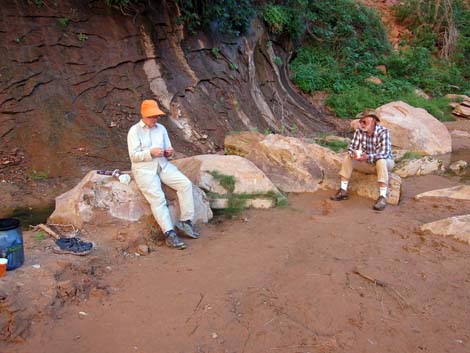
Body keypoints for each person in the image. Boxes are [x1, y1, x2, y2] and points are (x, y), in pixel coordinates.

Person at [127, 99, 199, 249]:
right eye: (152, 116)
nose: (155, 119)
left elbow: (169, 150)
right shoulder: (134, 131)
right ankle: (169, 233)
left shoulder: (161, 129)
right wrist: (150, 153)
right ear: (144, 116)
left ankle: (186, 222)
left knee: (185, 184)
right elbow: (134, 156)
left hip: (163, 165)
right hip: (144, 170)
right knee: (158, 199)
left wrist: (168, 153)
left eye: (156, 116)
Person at [330, 109, 394, 211]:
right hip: (366, 163)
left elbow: (384, 153)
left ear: (372, 121)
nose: (361, 124)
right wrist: (354, 154)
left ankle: (382, 197)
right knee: (348, 157)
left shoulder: (383, 132)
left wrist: (368, 156)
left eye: (364, 122)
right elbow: (351, 148)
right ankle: (343, 190)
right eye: (360, 121)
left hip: (384, 162)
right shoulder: (359, 132)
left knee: (381, 160)